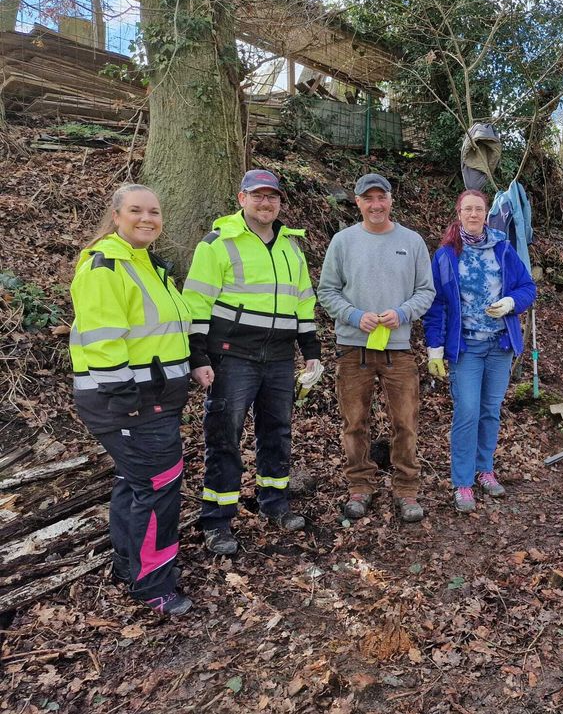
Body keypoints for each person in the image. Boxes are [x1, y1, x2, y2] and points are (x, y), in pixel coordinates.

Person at [70, 184, 193, 615]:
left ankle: (129, 564)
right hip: (130, 402)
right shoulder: (106, 267)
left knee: (135, 481)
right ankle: (153, 584)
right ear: (117, 215)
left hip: (154, 399)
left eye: (154, 212)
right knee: (159, 486)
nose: (147, 218)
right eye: (136, 211)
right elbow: (103, 340)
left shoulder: (150, 265)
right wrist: (127, 400)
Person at [183, 170, 321, 555]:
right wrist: (198, 355)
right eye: (258, 196)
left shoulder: (291, 248)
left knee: (277, 431)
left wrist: (311, 351)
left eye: (272, 197)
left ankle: (274, 502)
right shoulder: (217, 244)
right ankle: (217, 519)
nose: (266, 203)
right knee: (224, 435)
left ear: (279, 202)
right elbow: (195, 303)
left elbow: (303, 303)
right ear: (242, 199)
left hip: (278, 357)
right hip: (231, 356)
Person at [318, 173, 435, 522]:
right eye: (368, 199)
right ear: (358, 202)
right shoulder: (342, 241)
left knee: (406, 423)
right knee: (355, 423)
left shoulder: (412, 242)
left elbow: (426, 292)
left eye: (380, 197)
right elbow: (327, 291)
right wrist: (354, 315)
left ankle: (407, 490)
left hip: (398, 349)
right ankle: (360, 487)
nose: (375, 205)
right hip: (353, 348)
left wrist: (401, 313)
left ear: (390, 200)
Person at [423, 189, 536, 513]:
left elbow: (528, 287)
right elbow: (436, 305)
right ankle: (462, 483)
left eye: (479, 209)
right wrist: (435, 348)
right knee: (467, 411)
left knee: (490, 410)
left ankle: (485, 469)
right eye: (467, 209)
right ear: (458, 214)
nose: (474, 214)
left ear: (487, 214)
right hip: (466, 347)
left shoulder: (503, 248)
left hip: (499, 344)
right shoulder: (446, 255)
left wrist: (512, 303)